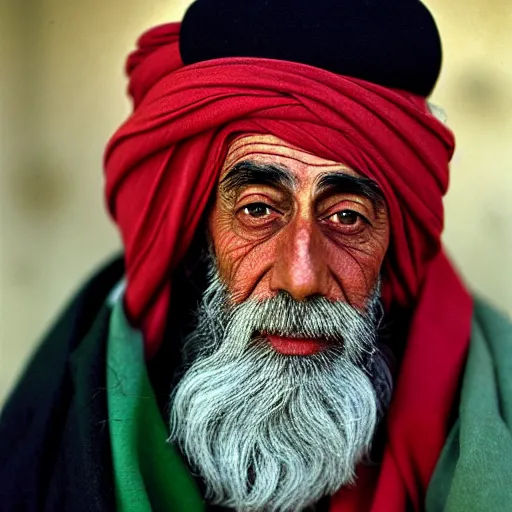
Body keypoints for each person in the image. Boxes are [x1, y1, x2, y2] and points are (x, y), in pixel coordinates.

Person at [1, 0, 511, 511]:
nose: (301, 276)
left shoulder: (493, 401)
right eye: (259, 209)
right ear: (194, 232)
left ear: (391, 245)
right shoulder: (45, 434)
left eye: (347, 217)